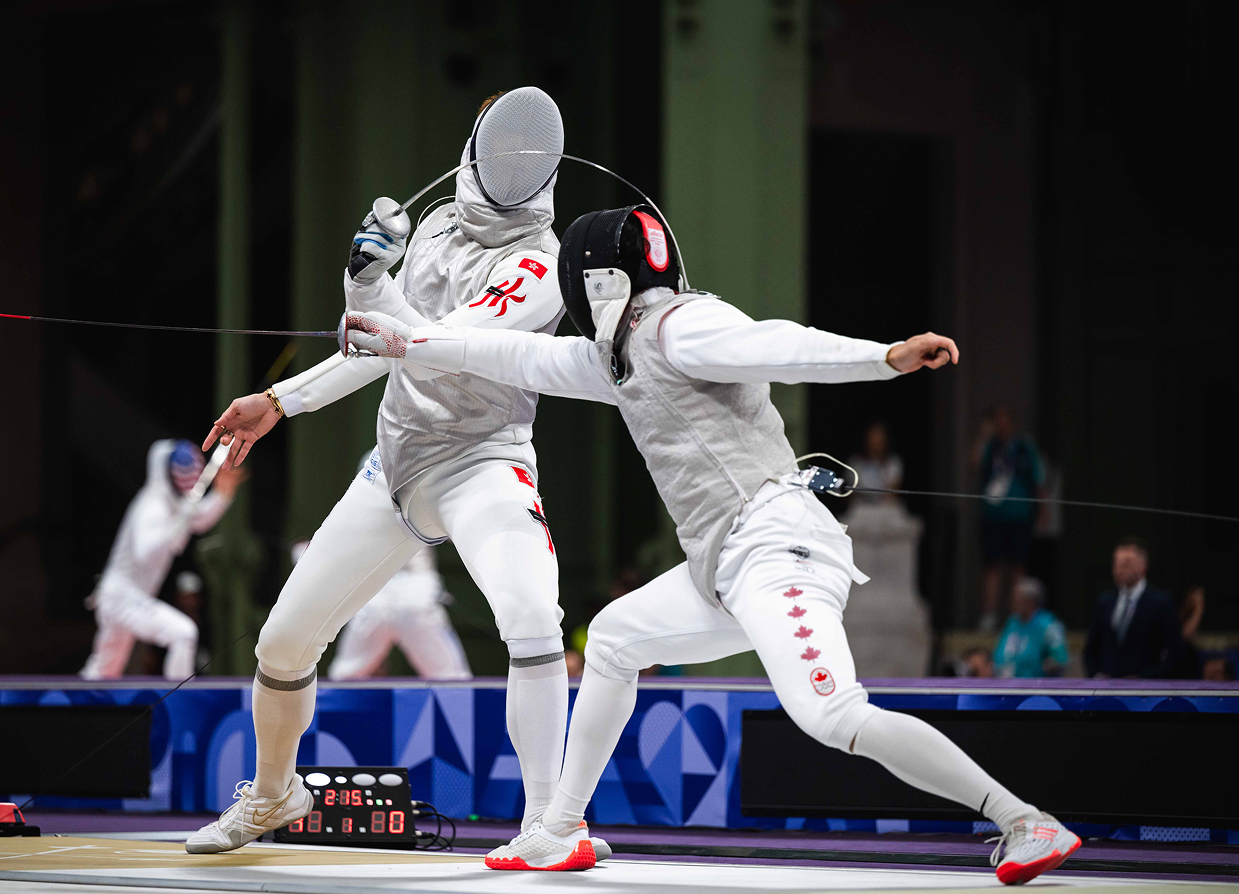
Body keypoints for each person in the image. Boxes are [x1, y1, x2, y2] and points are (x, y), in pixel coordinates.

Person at [344, 204, 1082, 883]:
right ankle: (560, 827)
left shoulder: (679, 327)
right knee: (611, 640)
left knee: (832, 714)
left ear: (596, 279)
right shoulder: (618, 357)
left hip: (775, 546)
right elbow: (509, 356)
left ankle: (1025, 821)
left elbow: (776, 345)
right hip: (722, 563)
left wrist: (882, 355)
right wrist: (404, 339)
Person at [187, 88, 576, 854]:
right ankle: (272, 796)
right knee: (281, 645)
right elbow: (373, 345)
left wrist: (369, 286)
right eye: (501, 144)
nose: (511, 161)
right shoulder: (431, 228)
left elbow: (436, 343)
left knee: (532, 618)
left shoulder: (543, 264)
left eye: (528, 154)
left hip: (484, 463)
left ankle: (547, 824)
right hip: (393, 467)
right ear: (475, 144)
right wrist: (278, 400)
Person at [80, 440, 242, 680]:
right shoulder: (152, 506)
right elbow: (146, 552)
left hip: (127, 597)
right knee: (183, 634)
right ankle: (179, 704)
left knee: (104, 671)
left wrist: (222, 495)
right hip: (122, 597)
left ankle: (73, 709)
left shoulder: (172, 504)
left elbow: (199, 520)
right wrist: (178, 523)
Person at [311, 529, 473, 680]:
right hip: (413, 594)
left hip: (374, 593)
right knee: (451, 678)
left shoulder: (360, 502)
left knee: (345, 676)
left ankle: (326, 710)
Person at [973, 406, 1047, 632]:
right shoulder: (990, 447)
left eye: (1005, 419)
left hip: (1019, 515)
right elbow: (974, 462)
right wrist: (983, 435)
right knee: (991, 568)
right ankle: (989, 617)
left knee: (1018, 567)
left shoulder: (1025, 447)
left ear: (1012, 423)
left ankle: (1017, 617)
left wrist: (1043, 510)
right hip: (993, 515)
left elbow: (1039, 479)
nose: (1002, 424)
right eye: (997, 420)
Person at [1083, 537, 1182, 679]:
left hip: (1146, 691)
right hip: (1107, 689)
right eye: (1116, 563)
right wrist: (1097, 675)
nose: (1120, 568)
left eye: (1127, 563)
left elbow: (1174, 653)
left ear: (1143, 566)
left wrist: (1142, 678)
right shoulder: (1104, 602)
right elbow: (1091, 649)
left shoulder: (1161, 603)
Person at [993, 578, 1067, 678]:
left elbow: (1060, 659)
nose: (1011, 601)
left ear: (1030, 601)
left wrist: (1038, 670)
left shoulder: (1047, 624)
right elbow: (1000, 653)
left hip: (1033, 688)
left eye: (1016, 598)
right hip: (1003, 684)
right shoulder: (1012, 621)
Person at [849, 421, 903, 504]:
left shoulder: (893, 463)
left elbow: (893, 489)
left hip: (886, 505)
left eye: (880, 437)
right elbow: (851, 492)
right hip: (861, 506)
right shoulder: (856, 463)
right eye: (873, 437)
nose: (876, 441)